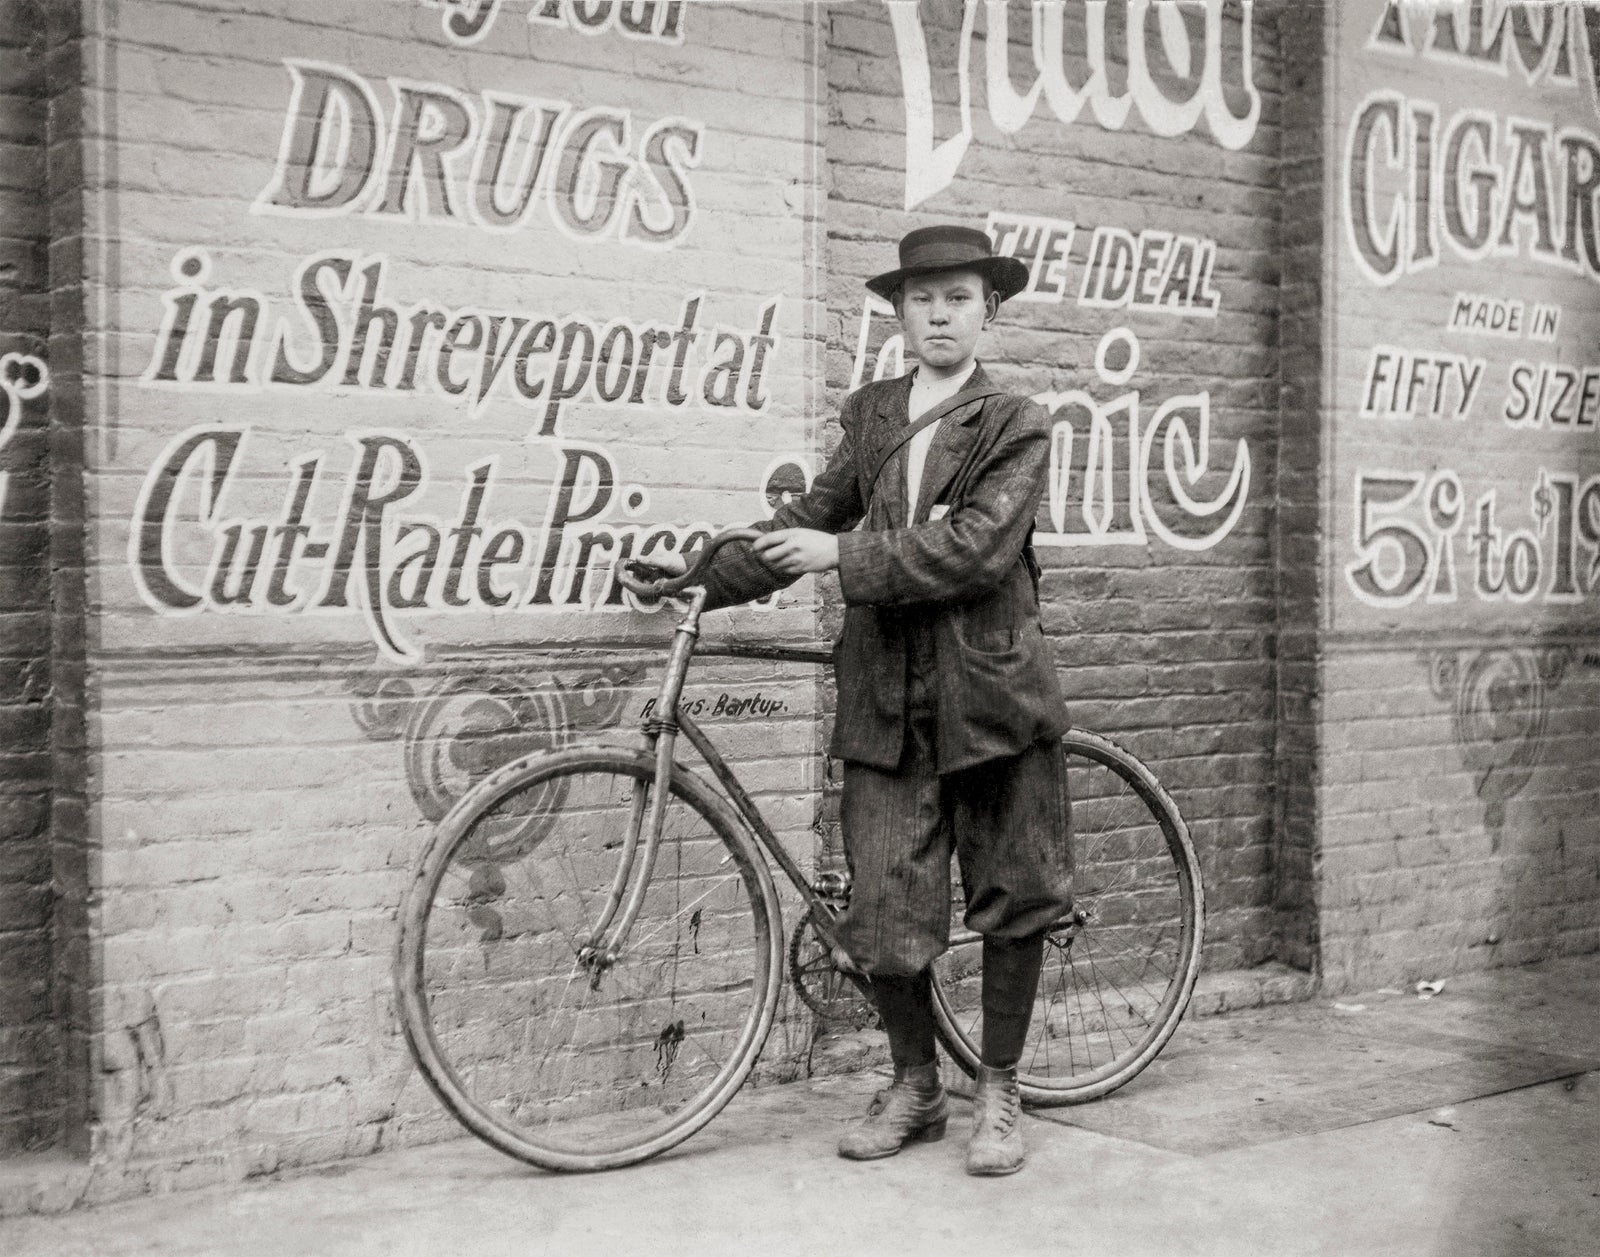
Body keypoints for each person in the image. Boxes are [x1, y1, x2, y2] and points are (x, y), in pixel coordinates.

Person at [649, 224, 1071, 1176]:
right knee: (882, 907)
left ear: (988, 310)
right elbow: (808, 522)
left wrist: (844, 556)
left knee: (1013, 893)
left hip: (991, 691)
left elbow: (977, 548)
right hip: (886, 697)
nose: (939, 314)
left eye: (959, 297)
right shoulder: (875, 413)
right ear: (898, 312)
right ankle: (916, 1085)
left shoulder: (1016, 419)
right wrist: (697, 578)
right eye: (922, 299)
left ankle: (998, 1088)